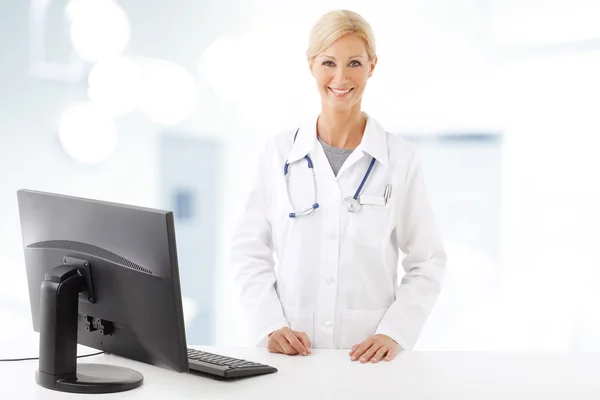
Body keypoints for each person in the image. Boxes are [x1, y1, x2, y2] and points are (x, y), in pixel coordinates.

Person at [231, 9, 446, 364]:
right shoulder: (278, 154)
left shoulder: (401, 160)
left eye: (355, 63)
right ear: (311, 65)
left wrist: (395, 331)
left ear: (373, 66)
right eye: (329, 62)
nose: (341, 77)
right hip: (290, 358)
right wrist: (269, 324)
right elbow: (248, 252)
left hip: (367, 362)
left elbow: (427, 261)